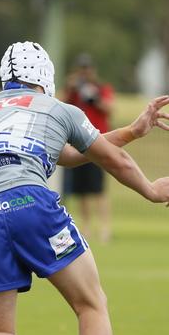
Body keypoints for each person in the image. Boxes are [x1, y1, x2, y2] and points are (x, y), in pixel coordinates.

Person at [0, 41, 169, 335]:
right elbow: (113, 159)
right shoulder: (58, 108)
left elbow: (69, 154)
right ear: (44, 73)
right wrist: (152, 190)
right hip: (28, 202)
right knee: (91, 305)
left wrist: (131, 131)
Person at [64, 53, 114, 243]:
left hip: (98, 141)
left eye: (87, 69)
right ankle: (86, 227)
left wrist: (95, 98)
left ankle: (105, 227)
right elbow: (60, 103)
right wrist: (71, 88)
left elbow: (110, 108)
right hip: (78, 143)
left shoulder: (101, 88)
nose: (85, 73)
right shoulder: (75, 90)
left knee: (99, 189)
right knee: (82, 190)